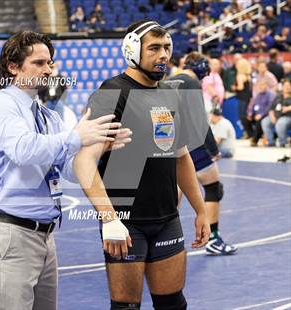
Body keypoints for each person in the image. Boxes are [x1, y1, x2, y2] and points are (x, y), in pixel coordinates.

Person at [0, 30, 131, 310]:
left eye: (50, 63)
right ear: (13, 66)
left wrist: (97, 150)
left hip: (43, 236)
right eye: (39, 63)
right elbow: (24, 150)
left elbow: (67, 171)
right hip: (9, 235)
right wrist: (76, 138)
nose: (48, 69)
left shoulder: (47, 115)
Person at [74, 20, 210, 310]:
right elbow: (85, 160)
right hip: (126, 221)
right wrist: (109, 218)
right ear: (133, 50)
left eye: (166, 48)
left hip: (167, 219)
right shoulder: (112, 91)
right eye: (154, 48)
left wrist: (200, 209)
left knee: (173, 304)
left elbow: (181, 156)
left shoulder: (170, 93)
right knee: (126, 308)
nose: (163, 54)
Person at [170, 51, 238, 256]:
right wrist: (213, 148)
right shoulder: (190, 82)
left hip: (170, 143)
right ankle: (213, 239)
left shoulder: (169, 81)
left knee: (174, 193)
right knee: (213, 188)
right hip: (192, 144)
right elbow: (200, 120)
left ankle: (163, 238)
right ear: (200, 68)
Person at [243, 79, 277, 146]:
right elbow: (253, 105)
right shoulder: (258, 95)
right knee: (245, 119)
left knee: (260, 122)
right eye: (259, 85)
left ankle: (255, 140)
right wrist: (250, 114)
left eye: (262, 85)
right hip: (257, 114)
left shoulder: (271, 94)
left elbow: (270, 107)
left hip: (266, 114)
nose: (261, 87)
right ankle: (253, 136)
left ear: (266, 85)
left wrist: (261, 115)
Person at [261, 78, 291, 147]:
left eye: (289, 86)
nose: (287, 87)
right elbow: (271, 108)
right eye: (285, 86)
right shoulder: (278, 96)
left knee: (281, 123)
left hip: (287, 116)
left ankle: (283, 142)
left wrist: (288, 108)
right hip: (276, 115)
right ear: (282, 87)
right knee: (265, 122)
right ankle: (271, 142)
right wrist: (272, 116)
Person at [232, 58, 252, 138]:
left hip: (242, 98)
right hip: (247, 97)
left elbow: (240, 87)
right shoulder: (248, 76)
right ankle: (249, 133)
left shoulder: (240, 76)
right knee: (245, 115)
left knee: (242, 116)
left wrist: (234, 87)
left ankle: (250, 133)